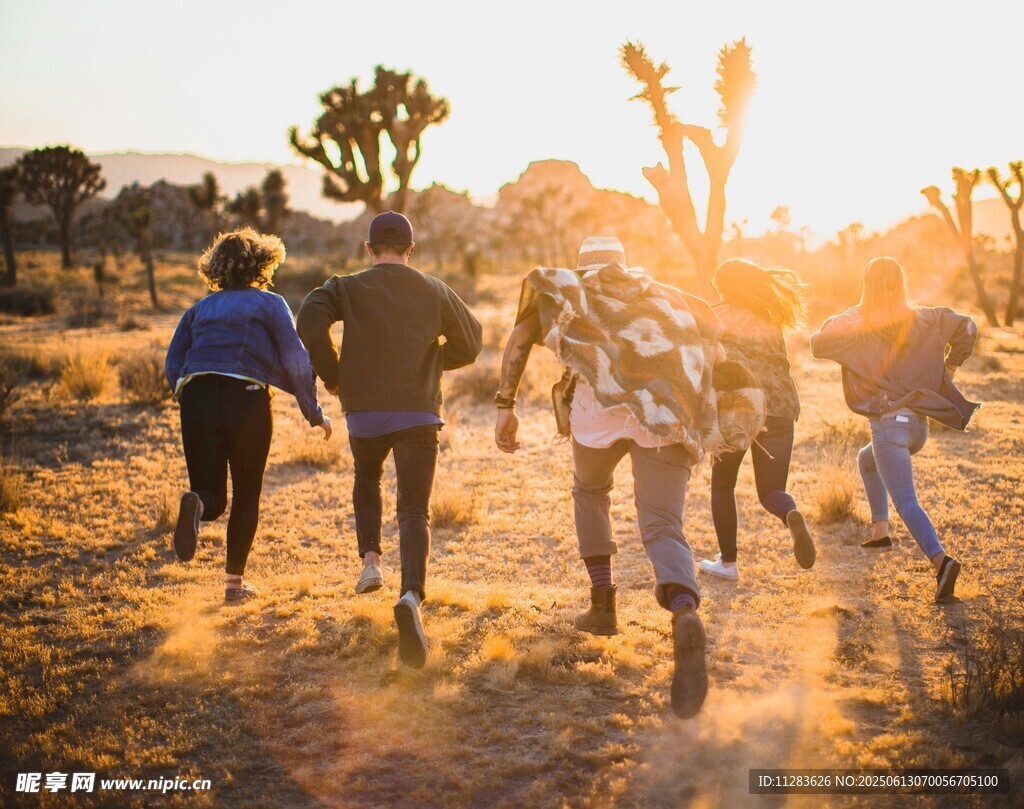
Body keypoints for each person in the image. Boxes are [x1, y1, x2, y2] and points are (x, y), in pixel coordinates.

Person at [494, 236, 736, 719]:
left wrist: (506, 405)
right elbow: (717, 349)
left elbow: (519, 340)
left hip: (595, 416)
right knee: (663, 522)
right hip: (662, 416)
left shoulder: (570, 292)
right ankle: (685, 608)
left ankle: (603, 606)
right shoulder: (664, 297)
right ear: (625, 266)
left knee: (590, 493)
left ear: (584, 268)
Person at [296, 211, 482, 669]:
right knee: (414, 508)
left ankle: (371, 563)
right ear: (410, 250)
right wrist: (435, 359)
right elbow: (473, 341)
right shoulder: (435, 289)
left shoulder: (346, 286)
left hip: (365, 412)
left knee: (367, 476)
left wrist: (334, 373)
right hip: (419, 409)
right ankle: (412, 597)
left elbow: (308, 319)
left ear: (369, 248)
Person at [165, 228, 331, 603]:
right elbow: (296, 360)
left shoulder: (199, 309)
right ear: (262, 263)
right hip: (247, 397)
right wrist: (314, 412)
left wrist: (186, 395)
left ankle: (198, 504)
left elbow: (173, 361)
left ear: (216, 268)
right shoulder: (270, 304)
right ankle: (233, 586)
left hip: (197, 395)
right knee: (245, 495)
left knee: (212, 495)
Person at [810, 256, 978, 602]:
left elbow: (817, 342)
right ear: (901, 283)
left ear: (866, 286)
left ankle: (941, 561)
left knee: (906, 499)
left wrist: (849, 312)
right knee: (866, 460)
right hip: (917, 426)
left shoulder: (858, 321)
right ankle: (880, 530)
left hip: (889, 425)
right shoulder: (924, 317)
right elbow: (968, 327)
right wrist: (950, 368)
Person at [699, 259, 816, 581]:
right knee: (771, 491)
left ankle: (728, 563)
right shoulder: (769, 320)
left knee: (723, 484)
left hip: (739, 408)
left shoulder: (715, 316)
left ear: (725, 287)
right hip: (781, 407)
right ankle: (789, 513)